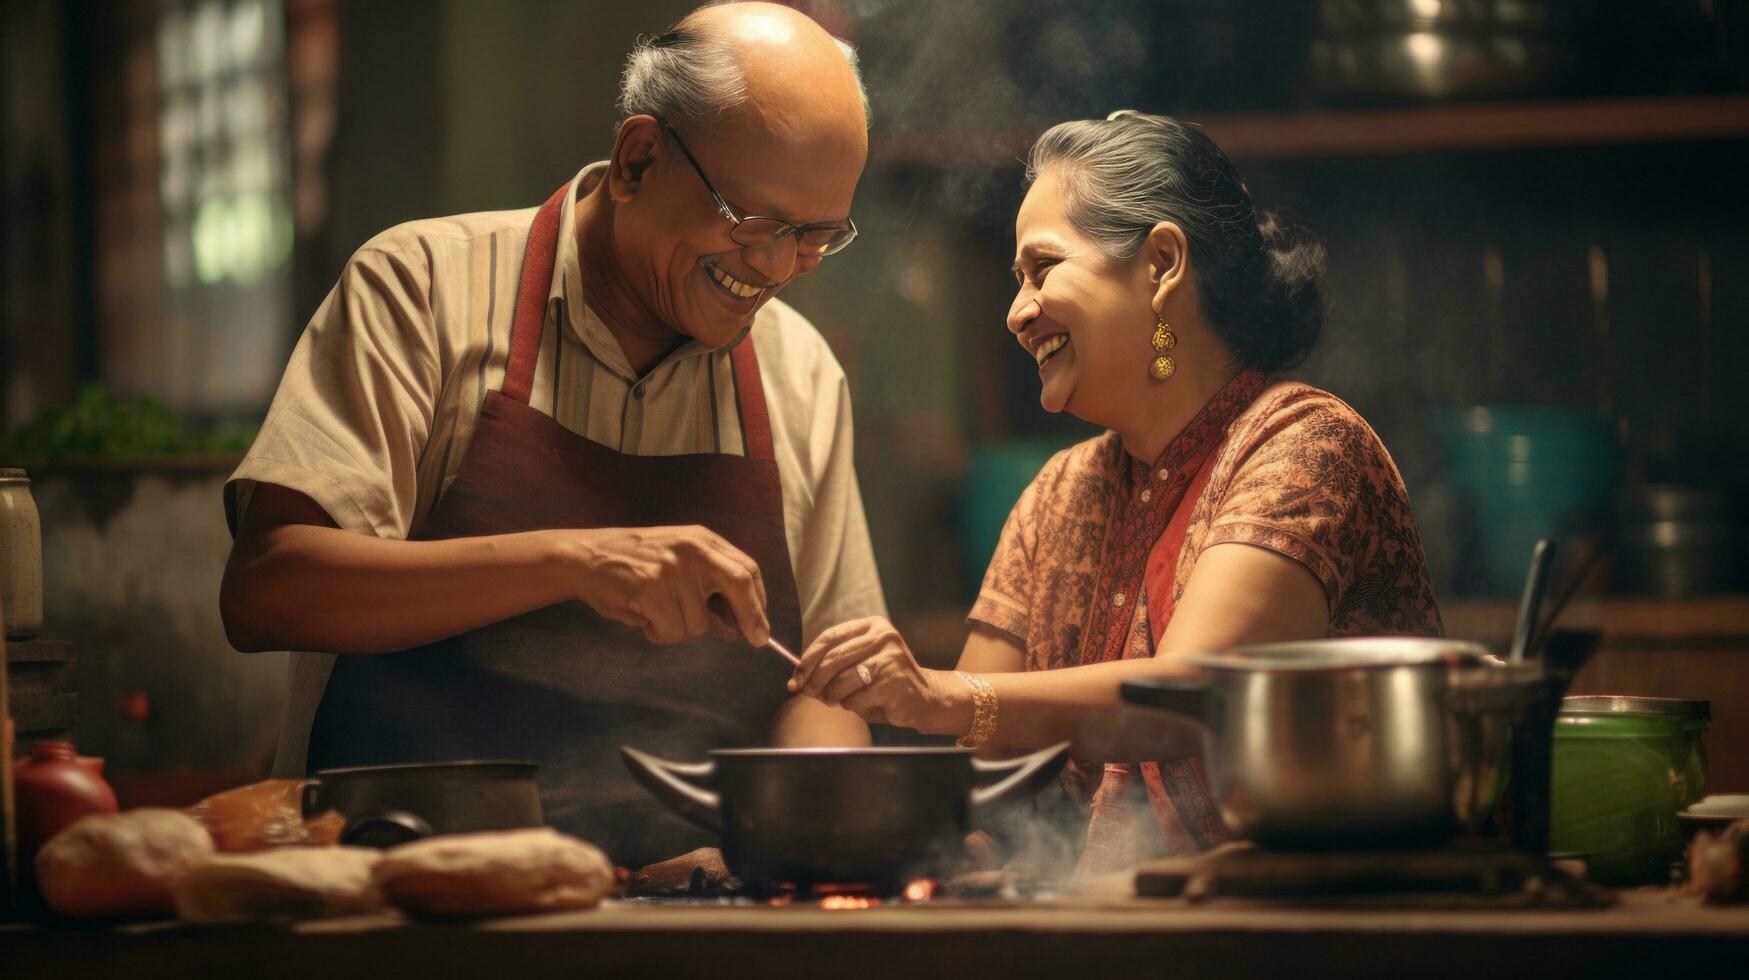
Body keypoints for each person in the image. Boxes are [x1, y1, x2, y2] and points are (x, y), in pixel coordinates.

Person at [219, 3, 883, 869]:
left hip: (693, 911)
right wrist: (573, 562)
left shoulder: (798, 374)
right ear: (638, 157)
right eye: (754, 224)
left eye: (816, 238)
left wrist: (789, 839)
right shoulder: (422, 289)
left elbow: (823, 686)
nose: (777, 268)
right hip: (408, 895)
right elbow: (270, 588)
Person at [787, 111, 1443, 875]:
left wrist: (937, 694)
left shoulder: (1304, 446)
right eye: (1014, 281)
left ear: (1162, 262)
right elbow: (979, 764)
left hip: (1309, 934)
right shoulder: (1059, 495)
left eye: (1042, 269)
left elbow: (1190, 700)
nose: (1017, 311)